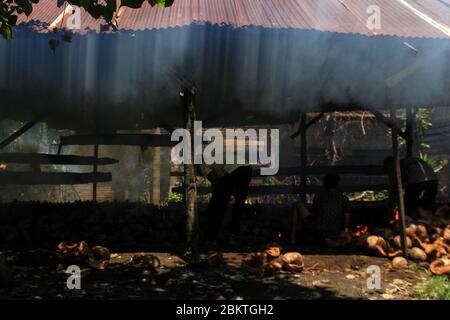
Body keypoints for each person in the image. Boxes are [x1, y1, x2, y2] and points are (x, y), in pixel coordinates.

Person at [198, 161, 252, 245]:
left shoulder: (202, 166)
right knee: (239, 202)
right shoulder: (214, 156)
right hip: (247, 168)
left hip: (232, 169)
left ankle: (213, 235)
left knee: (220, 203)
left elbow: (215, 180)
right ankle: (234, 234)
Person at [290, 173, 349, 244]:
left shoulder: (319, 195)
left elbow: (315, 212)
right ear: (337, 184)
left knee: (298, 204)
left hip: (317, 228)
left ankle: (293, 238)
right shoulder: (344, 199)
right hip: (335, 231)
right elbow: (347, 221)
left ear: (324, 183)